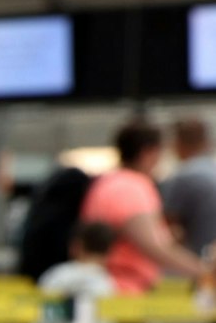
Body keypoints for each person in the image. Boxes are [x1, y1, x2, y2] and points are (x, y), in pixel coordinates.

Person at [79, 121, 208, 295]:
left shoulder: (105, 183)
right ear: (148, 153)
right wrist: (204, 271)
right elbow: (153, 246)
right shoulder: (132, 187)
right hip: (124, 293)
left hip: (103, 288)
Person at [161, 117, 216, 259]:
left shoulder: (183, 176)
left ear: (178, 143)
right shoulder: (212, 170)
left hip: (200, 261)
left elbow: (170, 229)